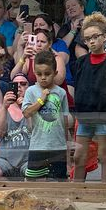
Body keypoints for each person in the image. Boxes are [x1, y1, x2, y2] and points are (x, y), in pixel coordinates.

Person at [72, 12, 106, 182]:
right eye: (88, 39)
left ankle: (105, 191)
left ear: (105, 37)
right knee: (79, 156)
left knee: (104, 156)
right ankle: (77, 191)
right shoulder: (81, 62)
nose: (92, 41)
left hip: (104, 116)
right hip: (84, 117)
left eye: (96, 36)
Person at [21, 50, 70, 181]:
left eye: (47, 74)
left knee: (59, 180)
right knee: (31, 180)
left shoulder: (61, 93)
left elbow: (65, 119)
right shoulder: (31, 91)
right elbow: (26, 113)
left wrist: (67, 143)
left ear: (55, 73)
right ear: (34, 74)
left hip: (58, 146)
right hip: (38, 145)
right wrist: (41, 100)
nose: (43, 77)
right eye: (39, 74)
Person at [0, 74, 32, 180]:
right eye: (15, 84)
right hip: (5, 161)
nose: (19, 87)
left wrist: (26, 108)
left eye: (23, 84)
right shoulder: (2, 109)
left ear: (29, 87)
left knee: (35, 173)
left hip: (29, 160)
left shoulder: (34, 108)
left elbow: (34, 130)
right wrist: (4, 107)